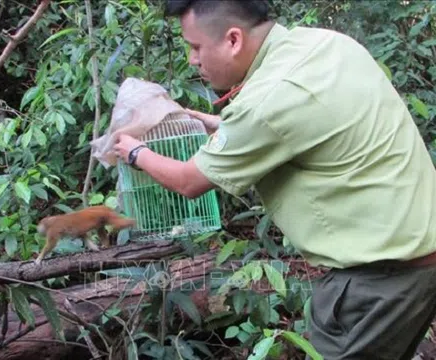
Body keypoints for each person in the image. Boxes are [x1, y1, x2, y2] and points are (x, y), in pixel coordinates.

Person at [113, 0, 436, 358]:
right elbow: (303, 125)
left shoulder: (267, 102)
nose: (193, 59)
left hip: (380, 280)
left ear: (233, 40)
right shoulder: (323, 44)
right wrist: (219, 124)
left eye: (196, 47)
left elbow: (190, 181)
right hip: (417, 253)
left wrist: (133, 151)